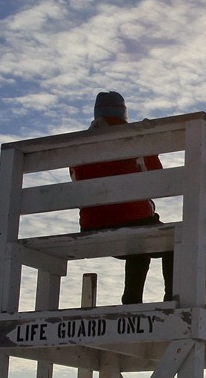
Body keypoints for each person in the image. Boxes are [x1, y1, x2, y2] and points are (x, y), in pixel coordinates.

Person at [71, 90, 172, 304]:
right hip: (133, 223)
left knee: (140, 237)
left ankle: (132, 298)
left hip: (91, 225)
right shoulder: (133, 140)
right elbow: (157, 179)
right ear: (124, 114)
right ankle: (172, 299)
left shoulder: (78, 146)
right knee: (174, 241)